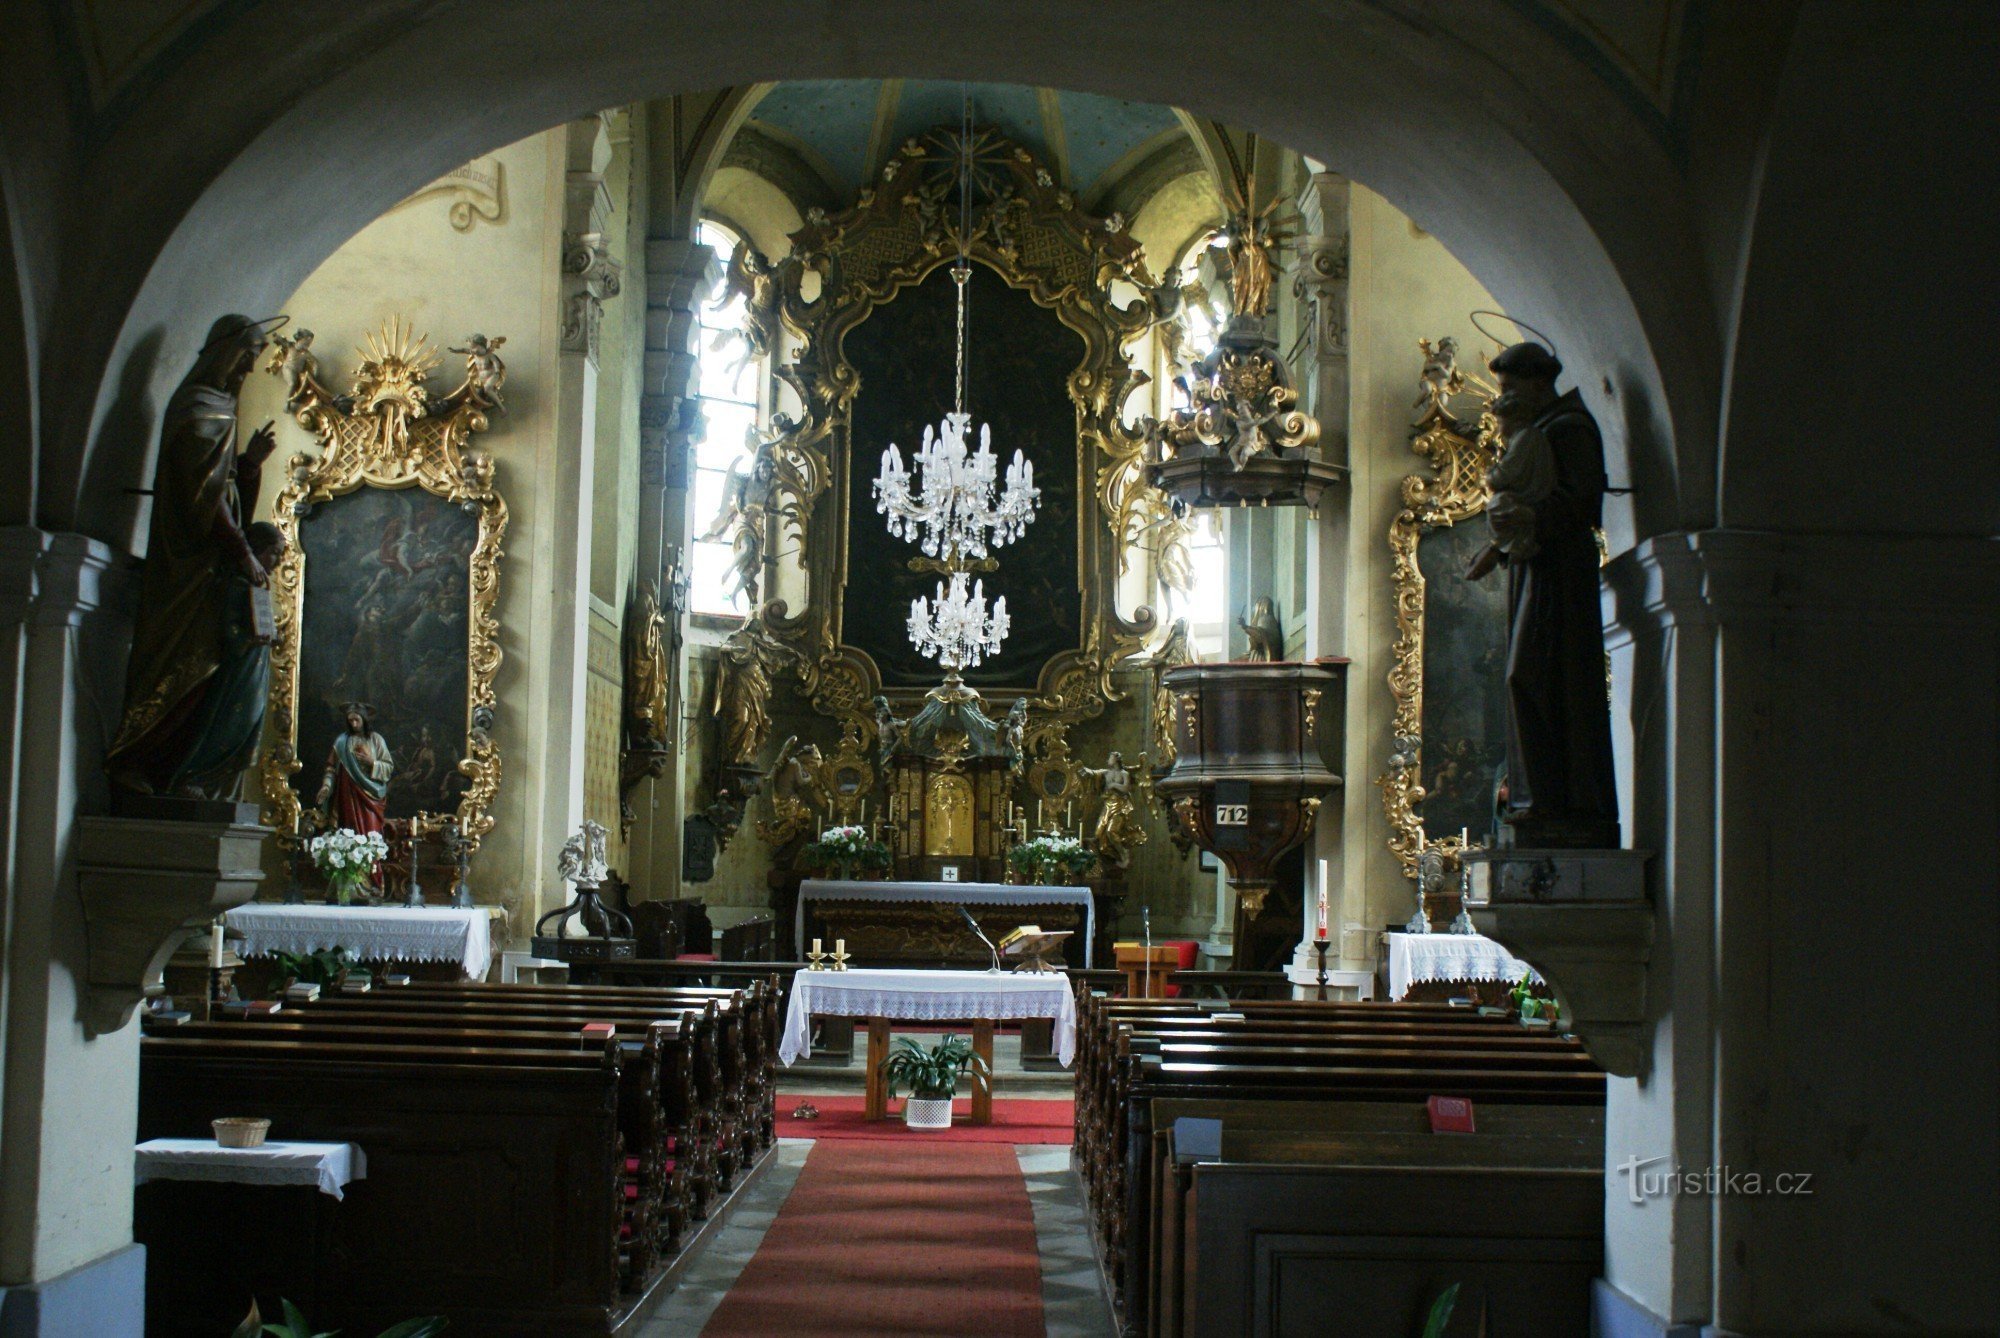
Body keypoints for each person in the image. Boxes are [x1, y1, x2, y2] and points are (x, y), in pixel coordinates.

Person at [106, 314, 282, 800]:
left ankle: (183, 772)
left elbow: (228, 494)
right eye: (246, 356)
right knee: (184, 665)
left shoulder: (221, 407)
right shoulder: (196, 407)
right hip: (186, 568)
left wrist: (248, 466)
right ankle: (140, 763)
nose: (249, 368)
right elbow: (203, 499)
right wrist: (243, 552)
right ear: (223, 351)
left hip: (211, 567)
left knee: (214, 672)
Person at [1464, 341, 1619, 847]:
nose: (1503, 398)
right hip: (1536, 566)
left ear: (1536, 384)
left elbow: (1580, 502)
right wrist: (1500, 549)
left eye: (1509, 388)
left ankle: (1561, 802)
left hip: (1561, 576)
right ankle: (1538, 799)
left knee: (1540, 676)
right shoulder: (1541, 431)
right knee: (1527, 677)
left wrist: (1527, 519)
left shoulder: (1569, 428)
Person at [1464, 387, 1557, 579]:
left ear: (1513, 418)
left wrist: (1490, 475)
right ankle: (1502, 547)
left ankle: (1505, 547)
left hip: (1529, 496)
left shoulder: (1525, 437)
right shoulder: (1525, 437)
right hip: (1527, 498)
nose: (1498, 427)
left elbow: (1505, 474)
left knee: (1499, 506)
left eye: (1499, 421)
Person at [318, 703, 395, 852]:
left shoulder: (376, 740)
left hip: (370, 798)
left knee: (370, 835)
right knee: (348, 835)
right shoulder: (341, 741)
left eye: (356, 720)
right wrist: (327, 785)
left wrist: (372, 762)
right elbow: (331, 767)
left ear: (364, 720)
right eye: (350, 720)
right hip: (347, 795)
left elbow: (388, 768)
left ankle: (371, 871)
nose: (353, 724)